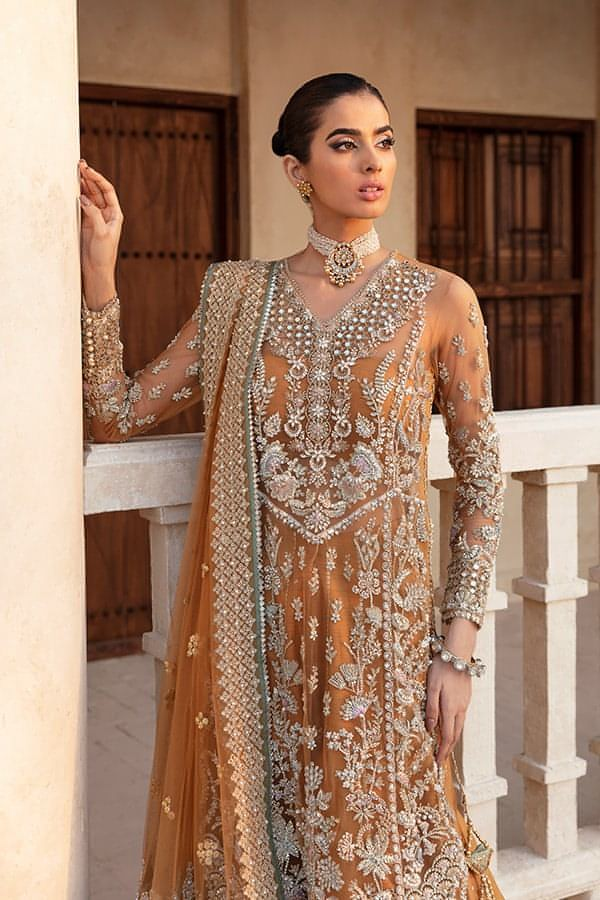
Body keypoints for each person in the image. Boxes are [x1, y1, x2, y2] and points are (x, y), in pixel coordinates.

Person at [79, 72, 504, 900]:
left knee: (386, 864)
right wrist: (101, 271)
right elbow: (117, 413)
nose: (373, 162)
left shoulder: (442, 300)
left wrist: (457, 652)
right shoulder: (240, 296)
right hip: (259, 643)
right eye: (345, 144)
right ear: (297, 169)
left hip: (383, 646)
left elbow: (482, 481)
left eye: (384, 142)